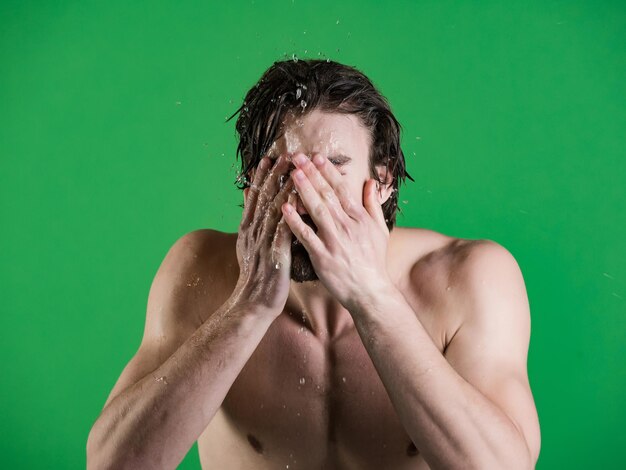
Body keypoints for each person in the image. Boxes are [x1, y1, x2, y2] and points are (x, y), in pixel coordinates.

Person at [87, 59, 541, 470]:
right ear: (252, 189)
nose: (306, 197)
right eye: (284, 172)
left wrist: (373, 299)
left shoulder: (471, 278)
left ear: (380, 180)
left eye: (333, 167)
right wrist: (247, 307)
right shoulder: (200, 270)